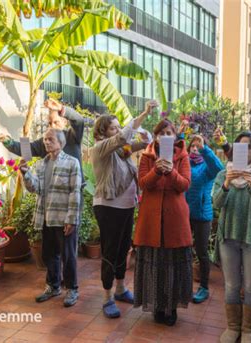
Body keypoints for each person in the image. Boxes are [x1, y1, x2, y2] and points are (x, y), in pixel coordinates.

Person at [91, 100, 157, 318]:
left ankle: (120, 289)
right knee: (110, 251)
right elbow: (123, 138)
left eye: (119, 126)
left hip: (127, 206)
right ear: (102, 133)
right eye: (113, 127)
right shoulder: (100, 148)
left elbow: (134, 145)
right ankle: (107, 297)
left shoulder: (121, 151)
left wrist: (146, 139)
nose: (118, 131)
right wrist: (144, 114)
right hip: (109, 207)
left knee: (123, 249)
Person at [212, 131, 251, 343]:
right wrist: (227, 185)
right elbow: (216, 204)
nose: (244, 151)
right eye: (239, 147)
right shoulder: (223, 174)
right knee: (231, 285)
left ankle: (249, 330)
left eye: (248, 147)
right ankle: (232, 327)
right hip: (228, 237)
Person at [133, 119, 192, 326]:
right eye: (162, 133)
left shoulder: (183, 156)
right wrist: (157, 171)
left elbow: (184, 184)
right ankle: (157, 306)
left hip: (175, 219)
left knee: (173, 264)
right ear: (156, 136)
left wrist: (171, 172)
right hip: (151, 218)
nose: (166, 136)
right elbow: (142, 184)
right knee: (156, 263)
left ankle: (172, 306)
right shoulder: (147, 156)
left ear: (175, 137)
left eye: (170, 133)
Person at [19, 128, 82, 307]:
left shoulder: (72, 163)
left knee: (68, 256)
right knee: (49, 255)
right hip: (46, 217)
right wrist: (25, 172)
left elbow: (75, 192)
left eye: (51, 139)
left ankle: (72, 289)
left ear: (61, 143)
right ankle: (53, 286)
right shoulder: (40, 164)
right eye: (45, 139)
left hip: (64, 219)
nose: (46, 142)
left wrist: (71, 219)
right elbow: (35, 188)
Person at [0, 98, 89, 184]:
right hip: (53, 192)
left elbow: (79, 121)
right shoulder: (45, 142)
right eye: (50, 123)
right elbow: (26, 149)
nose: (52, 126)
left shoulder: (72, 136)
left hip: (74, 191)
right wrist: (8, 142)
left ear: (65, 122)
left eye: (56, 122)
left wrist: (61, 109)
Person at [185, 135, 224, 303]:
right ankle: (184, 285)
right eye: (192, 146)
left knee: (201, 252)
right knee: (184, 251)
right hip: (184, 215)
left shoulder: (207, 167)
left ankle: (204, 288)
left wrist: (204, 149)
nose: (194, 148)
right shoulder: (184, 164)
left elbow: (219, 168)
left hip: (202, 216)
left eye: (197, 146)